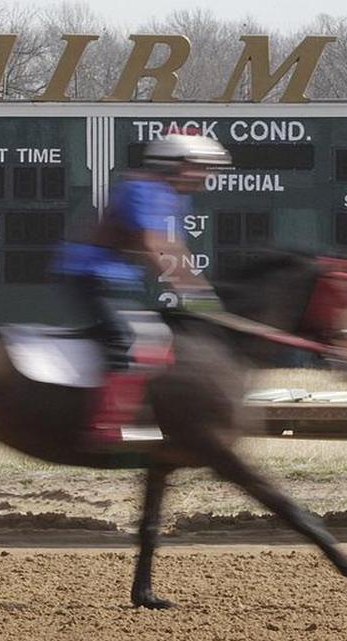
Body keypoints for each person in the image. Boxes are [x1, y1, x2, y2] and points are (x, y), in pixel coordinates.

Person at [54, 132, 232, 450]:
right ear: (175, 166)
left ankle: (142, 414)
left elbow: (175, 248)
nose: (207, 174)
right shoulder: (142, 189)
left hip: (117, 279)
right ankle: (105, 424)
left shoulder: (176, 197)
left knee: (158, 341)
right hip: (87, 273)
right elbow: (153, 245)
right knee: (126, 339)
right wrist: (190, 293)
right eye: (201, 167)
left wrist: (204, 294)